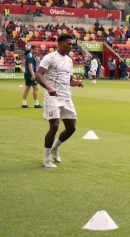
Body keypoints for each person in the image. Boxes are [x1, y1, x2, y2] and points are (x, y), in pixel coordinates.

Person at [36, 34, 83, 168]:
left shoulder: (69, 60)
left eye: (71, 44)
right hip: (52, 97)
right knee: (55, 125)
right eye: (68, 44)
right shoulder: (50, 57)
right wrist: (49, 87)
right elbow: (38, 74)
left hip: (66, 97)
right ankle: (46, 159)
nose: (71, 46)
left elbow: (69, 80)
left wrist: (76, 83)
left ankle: (55, 148)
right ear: (60, 43)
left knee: (71, 128)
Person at [21, 44, 41, 109]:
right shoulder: (30, 56)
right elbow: (30, 66)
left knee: (27, 89)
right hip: (30, 74)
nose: (37, 50)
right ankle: (36, 104)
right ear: (32, 49)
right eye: (36, 49)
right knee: (36, 88)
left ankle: (24, 104)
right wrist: (33, 75)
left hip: (28, 74)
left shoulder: (31, 55)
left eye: (37, 49)